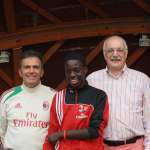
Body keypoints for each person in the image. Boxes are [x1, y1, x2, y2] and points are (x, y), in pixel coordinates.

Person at [87, 35, 150, 150]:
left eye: (119, 50)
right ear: (104, 54)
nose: (115, 54)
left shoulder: (142, 79)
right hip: (103, 146)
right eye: (110, 50)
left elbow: (149, 119)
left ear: (126, 53)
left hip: (134, 146)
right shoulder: (92, 80)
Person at [43, 51, 109, 150]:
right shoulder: (59, 97)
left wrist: (62, 134)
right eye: (68, 71)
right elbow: (52, 133)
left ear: (85, 70)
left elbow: (95, 131)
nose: (72, 74)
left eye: (76, 70)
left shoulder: (99, 96)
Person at [0, 50, 56, 150]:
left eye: (36, 67)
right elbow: (1, 130)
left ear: (42, 72)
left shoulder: (55, 96)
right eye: (27, 67)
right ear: (20, 72)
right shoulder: (7, 96)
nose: (31, 71)